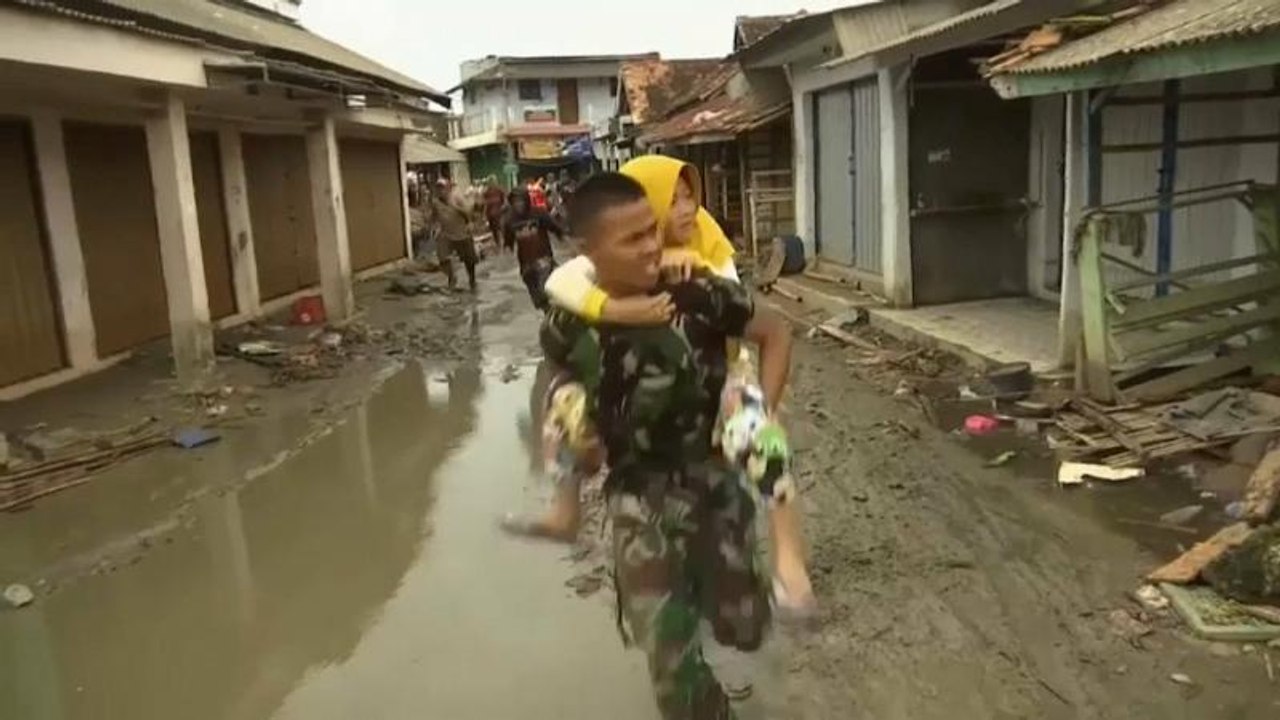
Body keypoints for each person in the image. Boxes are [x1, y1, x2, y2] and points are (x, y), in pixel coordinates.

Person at [541, 172, 791, 718]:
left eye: (652, 231)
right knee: (667, 652)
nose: (653, 245)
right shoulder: (572, 319)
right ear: (589, 253)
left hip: (712, 484)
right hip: (635, 495)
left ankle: (716, 599)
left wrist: (757, 412)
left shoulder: (695, 292)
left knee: (744, 625)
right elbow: (556, 368)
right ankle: (704, 700)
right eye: (632, 239)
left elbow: (774, 333)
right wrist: (570, 433)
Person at [503, 187, 566, 311]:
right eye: (515, 202)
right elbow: (508, 241)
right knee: (538, 296)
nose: (518, 204)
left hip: (543, 257)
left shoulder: (538, 213)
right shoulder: (509, 220)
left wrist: (564, 237)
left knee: (547, 288)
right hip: (526, 263)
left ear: (526, 200)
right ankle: (548, 313)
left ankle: (558, 311)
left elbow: (555, 227)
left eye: (521, 201)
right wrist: (507, 249)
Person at [425, 180, 479, 292]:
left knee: (469, 260)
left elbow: (468, 212)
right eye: (438, 189)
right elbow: (434, 217)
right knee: (442, 257)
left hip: (462, 233)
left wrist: (468, 221)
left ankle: (472, 280)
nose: (441, 191)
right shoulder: (436, 202)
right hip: (446, 234)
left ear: (448, 189)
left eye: (443, 188)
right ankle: (451, 277)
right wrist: (431, 226)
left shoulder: (457, 198)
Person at [481, 176, 506, 247]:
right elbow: (484, 203)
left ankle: (505, 243)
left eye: (493, 181)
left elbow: (505, 200)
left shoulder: (500, 189)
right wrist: (484, 215)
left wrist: (503, 207)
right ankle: (498, 243)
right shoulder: (486, 191)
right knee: (494, 230)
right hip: (490, 214)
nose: (492, 183)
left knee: (501, 228)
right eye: (490, 181)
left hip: (499, 213)